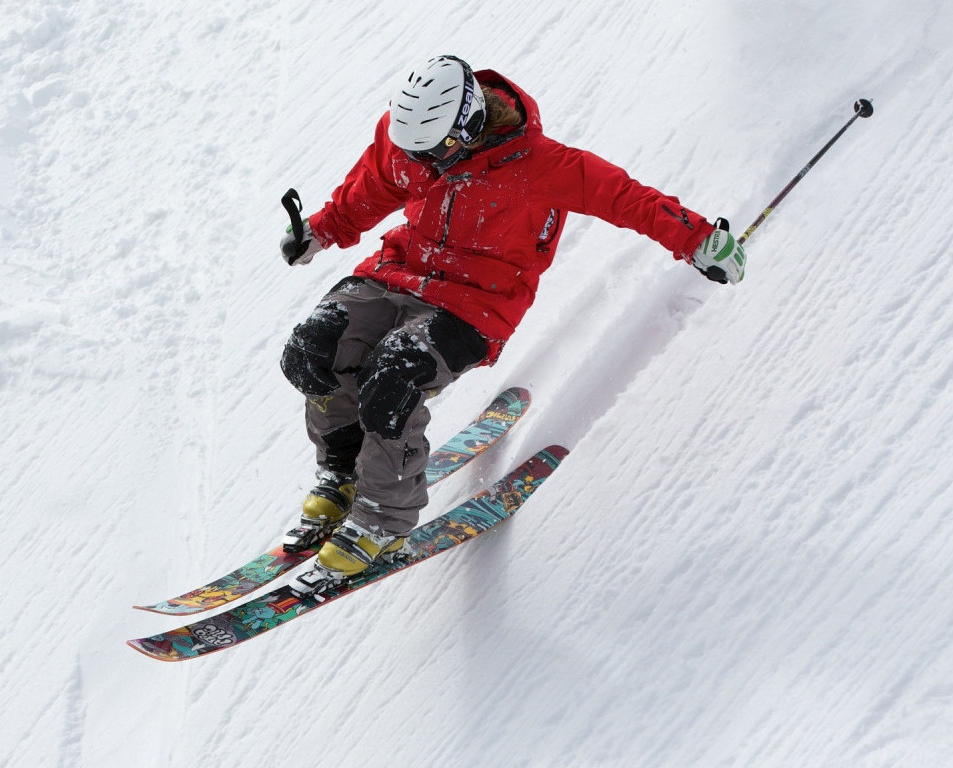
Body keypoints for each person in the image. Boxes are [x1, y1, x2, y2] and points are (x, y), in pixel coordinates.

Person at [277, 55, 745, 587]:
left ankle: (383, 518)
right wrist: (321, 229)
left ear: (469, 122)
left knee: (391, 378)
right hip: (399, 272)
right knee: (312, 350)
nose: (423, 163)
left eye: (434, 151)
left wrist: (698, 238)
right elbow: (376, 183)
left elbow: (627, 199)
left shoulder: (544, 165)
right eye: (414, 151)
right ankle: (343, 471)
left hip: (475, 303)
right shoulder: (411, 138)